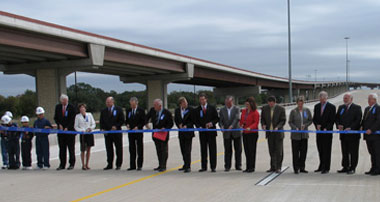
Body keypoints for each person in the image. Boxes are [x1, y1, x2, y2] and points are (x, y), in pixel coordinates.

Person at [335, 93, 362, 174]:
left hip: (353, 134)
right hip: (343, 134)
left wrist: (351, 128)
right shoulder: (341, 107)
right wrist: (338, 125)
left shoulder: (357, 108)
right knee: (344, 151)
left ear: (351, 99)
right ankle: (345, 166)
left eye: (346, 98)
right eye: (344, 98)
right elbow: (337, 118)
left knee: (353, 152)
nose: (345, 100)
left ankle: (353, 167)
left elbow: (358, 120)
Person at [146, 99, 174, 172]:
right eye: (154, 105)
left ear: (160, 106)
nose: (154, 107)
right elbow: (146, 117)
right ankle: (160, 164)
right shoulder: (152, 110)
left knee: (164, 150)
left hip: (163, 134)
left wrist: (165, 128)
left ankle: (163, 165)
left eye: (155, 105)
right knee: (158, 150)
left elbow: (171, 123)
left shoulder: (167, 112)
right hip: (156, 133)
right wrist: (146, 124)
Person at [194, 93, 219, 172]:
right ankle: (204, 166)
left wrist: (211, 123)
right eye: (200, 99)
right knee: (203, 150)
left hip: (211, 132)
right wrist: (199, 127)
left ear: (206, 99)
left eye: (203, 99)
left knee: (212, 149)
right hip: (203, 133)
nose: (202, 101)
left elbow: (216, 118)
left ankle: (213, 166)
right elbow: (196, 121)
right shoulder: (197, 110)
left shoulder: (212, 108)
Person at [261, 96, 286, 173]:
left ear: (275, 102)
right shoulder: (265, 108)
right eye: (269, 103)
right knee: (271, 150)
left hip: (278, 133)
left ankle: (278, 167)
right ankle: (273, 166)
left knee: (279, 151)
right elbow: (262, 119)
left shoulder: (281, 109)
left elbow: (283, 120)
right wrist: (263, 124)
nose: (270, 104)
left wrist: (278, 127)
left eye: (272, 103)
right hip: (270, 133)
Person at [313, 91, 336, 174]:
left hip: (327, 132)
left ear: (326, 98)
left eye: (323, 98)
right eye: (320, 98)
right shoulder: (317, 106)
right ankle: (321, 165)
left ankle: (326, 167)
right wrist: (316, 125)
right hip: (319, 132)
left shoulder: (331, 107)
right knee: (320, 149)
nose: (322, 100)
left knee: (327, 150)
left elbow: (332, 120)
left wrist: (327, 128)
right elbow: (314, 118)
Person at [288, 96, 313, 174]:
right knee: (295, 152)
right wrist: (295, 127)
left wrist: (305, 125)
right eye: (299, 102)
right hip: (295, 135)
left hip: (304, 135)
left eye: (302, 102)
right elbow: (290, 122)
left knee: (303, 152)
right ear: (297, 103)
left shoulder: (307, 110)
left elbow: (310, 120)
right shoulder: (293, 111)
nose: (300, 103)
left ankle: (302, 167)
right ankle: (296, 168)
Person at [100, 97, 125, 170]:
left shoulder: (118, 109)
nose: (107, 103)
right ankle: (109, 164)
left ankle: (118, 164)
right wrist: (102, 128)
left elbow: (122, 120)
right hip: (107, 133)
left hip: (116, 132)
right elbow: (102, 121)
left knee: (118, 148)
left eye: (109, 102)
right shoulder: (104, 111)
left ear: (112, 102)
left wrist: (116, 126)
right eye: (106, 102)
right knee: (109, 149)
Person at [219, 96, 241, 172]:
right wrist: (221, 126)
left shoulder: (236, 108)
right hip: (226, 133)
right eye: (226, 103)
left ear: (232, 102)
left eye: (229, 102)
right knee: (227, 150)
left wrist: (232, 126)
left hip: (235, 131)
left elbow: (237, 118)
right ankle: (227, 166)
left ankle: (238, 165)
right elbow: (220, 120)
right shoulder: (222, 110)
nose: (227, 104)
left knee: (238, 149)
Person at [54, 94, 76, 170]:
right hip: (61, 132)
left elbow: (73, 119)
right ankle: (62, 164)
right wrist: (59, 124)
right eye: (63, 100)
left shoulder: (71, 107)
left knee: (71, 148)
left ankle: (71, 163)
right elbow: (56, 118)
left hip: (69, 132)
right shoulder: (58, 107)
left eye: (65, 100)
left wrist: (67, 127)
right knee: (62, 149)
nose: (64, 102)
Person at [174, 97, 195, 173]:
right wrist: (179, 125)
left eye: (186, 102)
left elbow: (193, 120)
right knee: (182, 149)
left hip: (188, 133)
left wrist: (187, 126)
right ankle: (185, 164)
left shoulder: (191, 109)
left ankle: (188, 166)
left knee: (187, 150)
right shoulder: (177, 111)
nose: (186, 104)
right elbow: (176, 120)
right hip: (181, 133)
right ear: (180, 104)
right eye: (184, 103)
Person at [239, 97, 260, 173]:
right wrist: (241, 125)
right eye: (246, 104)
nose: (246, 105)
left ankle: (252, 167)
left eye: (248, 104)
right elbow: (241, 120)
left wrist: (250, 128)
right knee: (246, 150)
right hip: (245, 133)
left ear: (252, 104)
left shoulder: (255, 112)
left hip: (252, 134)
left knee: (252, 150)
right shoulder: (244, 111)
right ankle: (248, 166)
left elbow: (256, 123)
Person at [125, 97, 146, 171]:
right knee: (132, 148)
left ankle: (139, 165)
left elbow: (143, 121)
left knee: (139, 148)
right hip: (131, 132)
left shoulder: (141, 110)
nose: (132, 106)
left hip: (138, 132)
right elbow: (127, 120)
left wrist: (138, 127)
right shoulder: (128, 111)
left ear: (136, 103)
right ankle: (132, 165)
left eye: (133, 105)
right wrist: (127, 124)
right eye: (131, 105)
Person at [362, 93, 380, 176]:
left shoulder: (378, 108)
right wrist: (361, 127)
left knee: (377, 153)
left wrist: (371, 129)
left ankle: (378, 169)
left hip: (375, 136)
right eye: (368, 99)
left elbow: (378, 121)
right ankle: (373, 168)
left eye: (370, 99)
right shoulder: (367, 109)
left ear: (374, 100)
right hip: (368, 135)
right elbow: (364, 120)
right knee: (371, 152)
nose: (368, 101)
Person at [74, 104, 96, 170]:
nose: (82, 109)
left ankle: (87, 164)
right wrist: (81, 130)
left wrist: (90, 128)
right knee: (83, 149)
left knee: (89, 149)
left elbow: (93, 124)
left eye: (83, 108)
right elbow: (76, 126)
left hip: (89, 133)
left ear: (85, 109)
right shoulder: (77, 116)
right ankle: (83, 164)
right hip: (83, 134)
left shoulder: (89, 115)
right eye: (81, 108)